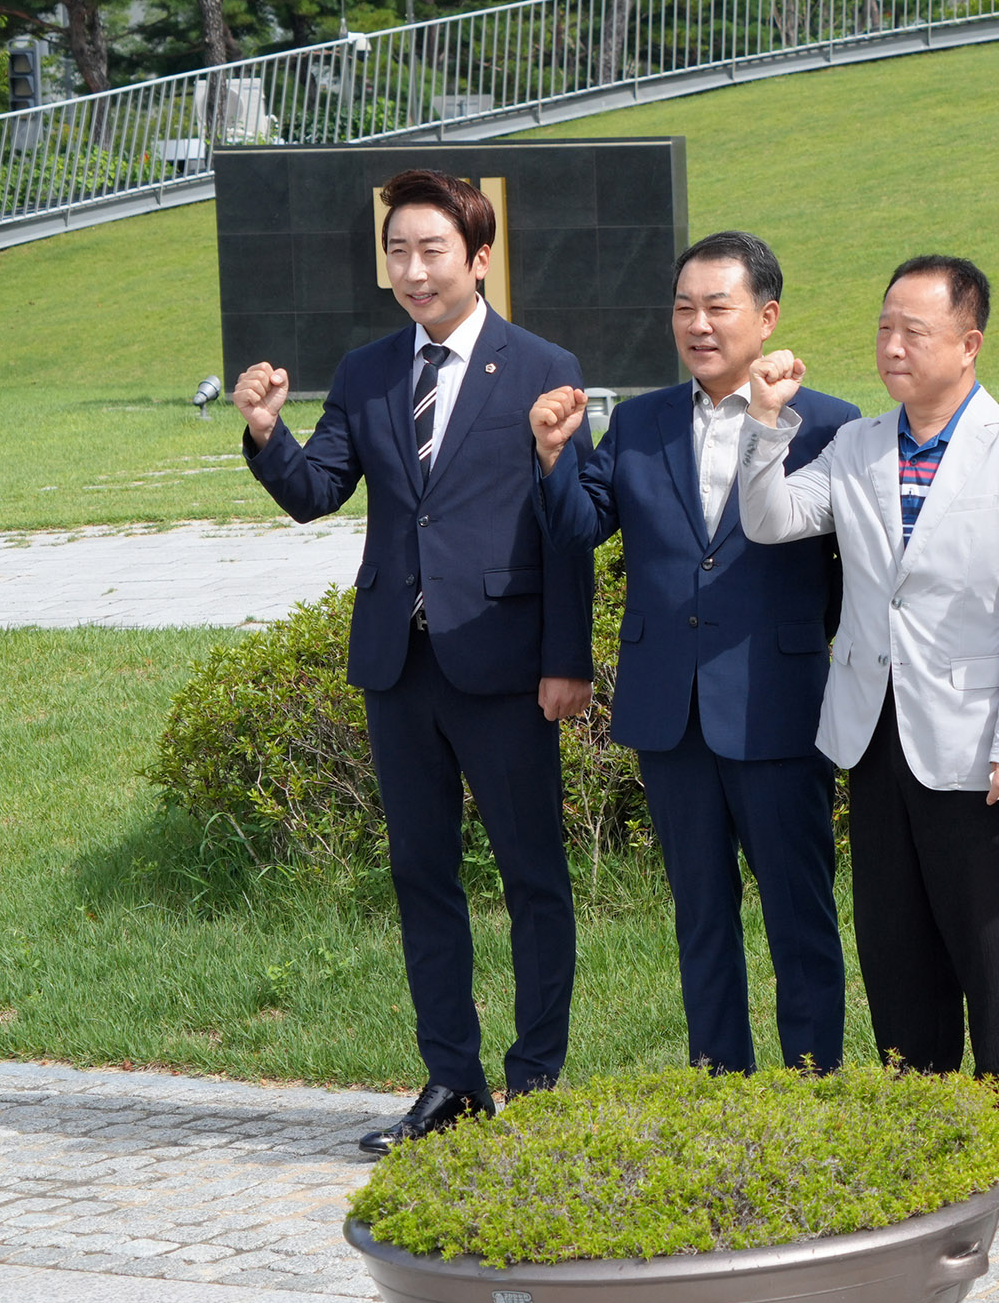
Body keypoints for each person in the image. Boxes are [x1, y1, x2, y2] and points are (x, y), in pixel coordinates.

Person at [232, 168, 594, 1154]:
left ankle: (537, 1080)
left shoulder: (541, 366)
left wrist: (567, 659)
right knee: (420, 873)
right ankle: (450, 1081)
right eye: (397, 251)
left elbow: (571, 528)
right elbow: (315, 491)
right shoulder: (367, 371)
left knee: (532, 876)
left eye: (433, 250)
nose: (412, 268)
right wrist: (267, 432)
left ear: (479, 259)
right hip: (400, 664)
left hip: (509, 664)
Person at [734, 256, 999, 1120]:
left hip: (979, 739)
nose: (891, 345)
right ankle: (917, 1114)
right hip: (872, 727)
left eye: (912, 331)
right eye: (884, 327)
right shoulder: (855, 445)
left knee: (992, 941)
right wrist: (765, 423)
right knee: (894, 938)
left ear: (969, 343)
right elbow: (771, 520)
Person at [525, 231, 861, 1076]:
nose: (698, 324)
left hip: (778, 705)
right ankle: (720, 1090)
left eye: (718, 306)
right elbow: (578, 528)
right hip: (667, 709)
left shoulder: (830, 424)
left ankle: (814, 1095)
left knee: (800, 915)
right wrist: (555, 458)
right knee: (700, 918)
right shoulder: (639, 420)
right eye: (684, 307)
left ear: (767, 314)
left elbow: (851, 577)